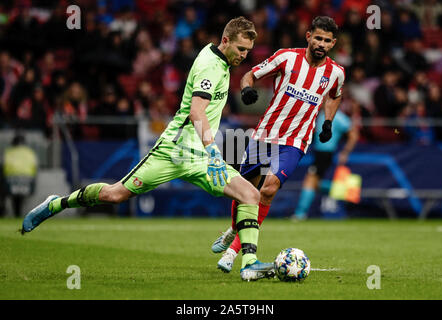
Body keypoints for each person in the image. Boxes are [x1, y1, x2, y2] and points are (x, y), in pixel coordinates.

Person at [21, 17, 274, 281]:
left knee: (250, 195)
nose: (244, 56)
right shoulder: (211, 66)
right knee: (115, 194)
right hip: (174, 151)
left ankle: (249, 263)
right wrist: (212, 150)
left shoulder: (219, 60)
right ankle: (56, 204)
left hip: (199, 157)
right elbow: (196, 110)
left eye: (247, 51)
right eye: (240, 49)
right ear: (225, 41)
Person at [211, 16, 345, 273]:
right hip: (264, 135)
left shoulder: (336, 72)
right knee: (244, 191)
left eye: (327, 41)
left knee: (269, 189)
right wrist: (247, 90)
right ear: (308, 36)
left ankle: (233, 250)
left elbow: (334, 96)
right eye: (318, 38)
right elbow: (250, 74)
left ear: (333, 43)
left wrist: (328, 122)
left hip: (295, 141)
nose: (321, 44)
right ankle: (233, 230)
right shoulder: (286, 57)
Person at [292, 108, 359, 220]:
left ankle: (300, 214)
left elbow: (354, 134)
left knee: (310, 181)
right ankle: (345, 191)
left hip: (325, 153)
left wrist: (345, 152)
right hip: (319, 153)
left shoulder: (337, 116)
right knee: (315, 184)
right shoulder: (321, 113)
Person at [2, 132, 37, 217]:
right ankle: (18, 213)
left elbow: (3, 166)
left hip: (10, 179)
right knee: (19, 199)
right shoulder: (30, 152)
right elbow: (34, 167)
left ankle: (3, 208)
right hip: (28, 180)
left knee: (8, 194)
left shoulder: (8, 152)